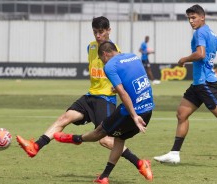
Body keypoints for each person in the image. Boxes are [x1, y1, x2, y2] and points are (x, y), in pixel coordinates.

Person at [16, 16, 142, 171]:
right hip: (90, 96)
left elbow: (124, 75)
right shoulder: (91, 47)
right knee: (64, 118)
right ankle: (35, 146)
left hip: (105, 99)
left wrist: (118, 87)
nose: (97, 35)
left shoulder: (115, 52)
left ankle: (140, 163)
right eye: (95, 32)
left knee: (105, 140)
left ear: (109, 30)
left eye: (101, 32)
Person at [153, 5, 217, 164]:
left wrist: (184, 59)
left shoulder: (200, 33)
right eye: (189, 19)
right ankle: (174, 153)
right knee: (181, 114)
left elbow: (200, 54)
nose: (191, 21)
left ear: (202, 17)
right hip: (198, 84)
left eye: (193, 18)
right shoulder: (211, 33)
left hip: (205, 83)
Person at [53, 41, 154, 183]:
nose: (101, 62)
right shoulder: (133, 57)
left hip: (132, 112)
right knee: (119, 139)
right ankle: (104, 177)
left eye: (101, 59)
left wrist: (134, 116)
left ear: (105, 54)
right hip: (148, 108)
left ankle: (75, 139)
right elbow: (139, 80)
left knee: (100, 133)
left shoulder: (110, 66)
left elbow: (123, 94)